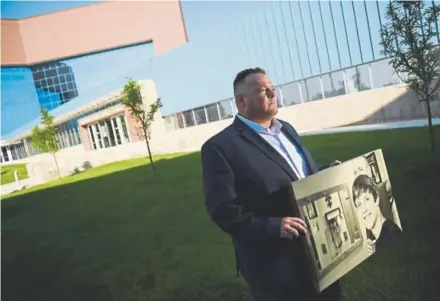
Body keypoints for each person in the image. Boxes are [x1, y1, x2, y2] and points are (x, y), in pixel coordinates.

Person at [201, 67, 342, 301]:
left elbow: (298, 173)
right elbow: (222, 210)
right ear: (241, 100)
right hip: (275, 264)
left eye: (272, 88)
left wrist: (326, 171)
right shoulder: (220, 147)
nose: (272, 94)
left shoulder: (286, 128)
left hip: (318, 248)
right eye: (262, 90)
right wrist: (272, 226)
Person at [352, 174, 401, 251]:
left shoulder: (391, 236)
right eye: (359, 204)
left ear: (377, 199)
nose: (363, 209)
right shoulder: (377, 237)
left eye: (367, 199)